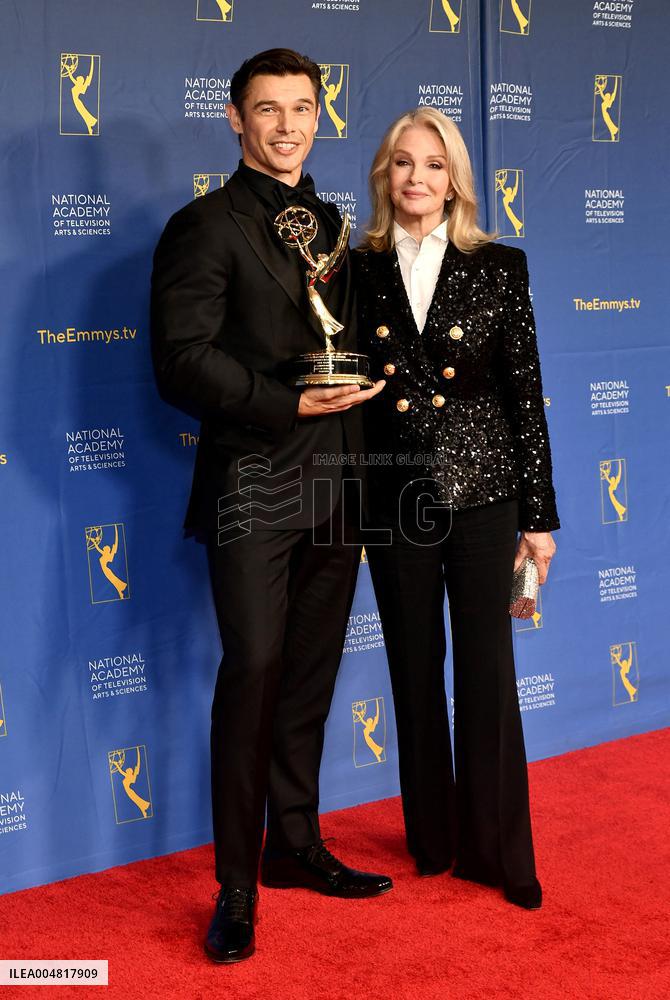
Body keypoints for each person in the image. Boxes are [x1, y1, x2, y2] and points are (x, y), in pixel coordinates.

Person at [151, 49, 390, 965]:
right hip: (254, 480)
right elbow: (180, 361)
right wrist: (284, 401)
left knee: (307, 678)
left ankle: (294, 847)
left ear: (320, 116)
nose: (286, 125)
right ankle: (237, 885)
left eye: (301, 108)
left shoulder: (332, 226)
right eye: (267, 109)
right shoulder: (202, 227)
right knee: (252, 672)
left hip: (336, 486)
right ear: (234, 118)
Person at [354, 107, 560, 910]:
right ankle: (432, 840)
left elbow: (524, 399)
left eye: (433, 165)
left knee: (487, 673)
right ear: (385, 176)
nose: (416, 178)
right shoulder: (354, 266)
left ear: (456, 179)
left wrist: (538, 517)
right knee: (412, 670)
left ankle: (500, 852)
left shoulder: (500, 265)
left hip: (484, 495)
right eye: (403, 163)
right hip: (392, 494)